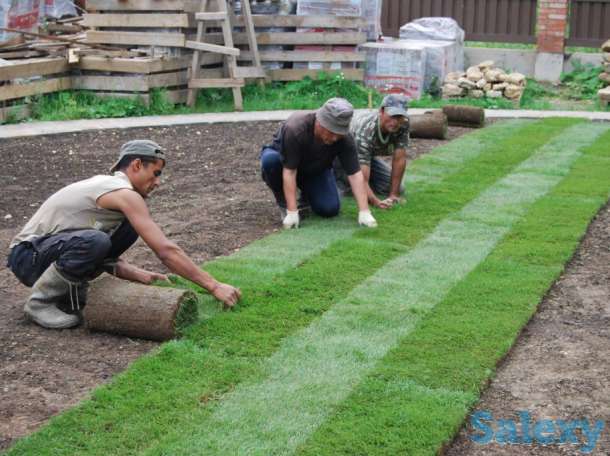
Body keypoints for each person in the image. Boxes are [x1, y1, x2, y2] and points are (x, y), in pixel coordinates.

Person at [6, 140, 241, 330]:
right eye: (156, 173)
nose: (158, 182)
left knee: (125, 229)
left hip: (43, 253)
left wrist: (135, 273)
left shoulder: (114, 192)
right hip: (27, 257)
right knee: (96, 240)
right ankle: (40, 303)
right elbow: (165, 250)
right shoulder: (123, 193)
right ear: (137, 165)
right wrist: (213, 285)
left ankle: (68, 293)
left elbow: (93, 246)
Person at [259, 97, 377, 229]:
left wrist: (364, 211)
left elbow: (355, 174)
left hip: (315, 169)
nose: (335, 138)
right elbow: (290, 171)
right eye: (332, 131)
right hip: (284, 165)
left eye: (339, 133)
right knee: (270, 161)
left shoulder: (345, 139)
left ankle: (306, 197)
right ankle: (284, 203)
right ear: (320, 122)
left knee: (329, 209)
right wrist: (292, 212)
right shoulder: (295, 128)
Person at [336, 94, 409, 209]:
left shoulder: (403, 124)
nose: (395, 122)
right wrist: (376, 202)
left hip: (366, 156)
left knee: (399, 188)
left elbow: (399, 158)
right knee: (352, 185)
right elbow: (363, 178)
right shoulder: (366, 129)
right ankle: (339, 179)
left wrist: (393, 195)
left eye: (399, 117)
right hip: (341, 155)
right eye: (392, 116)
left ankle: (352, 183)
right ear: (381, 111)